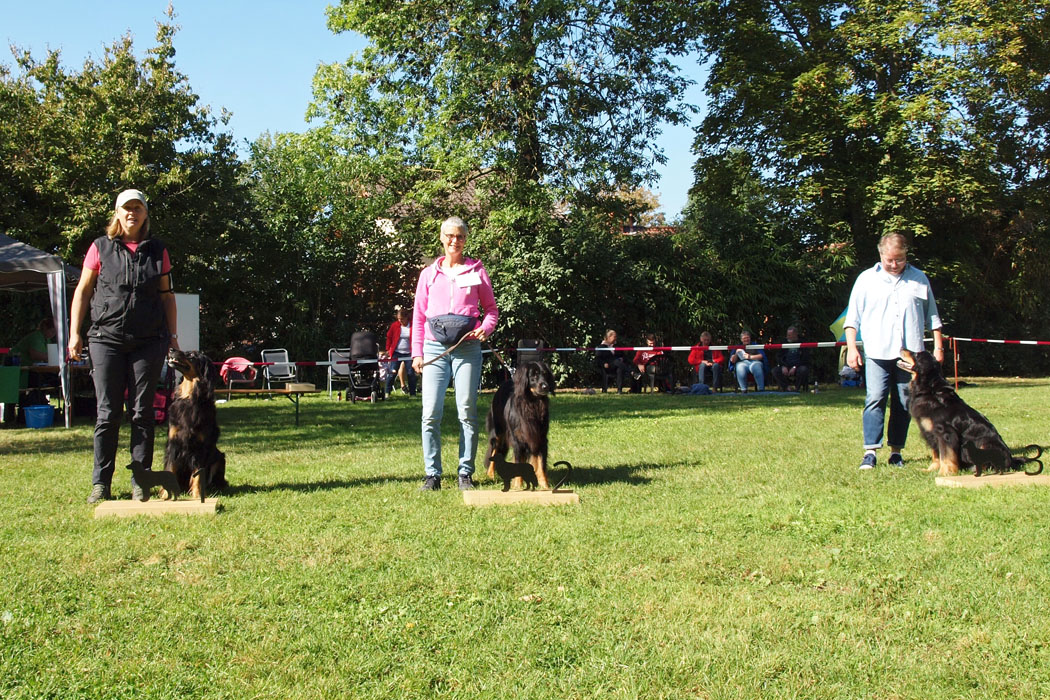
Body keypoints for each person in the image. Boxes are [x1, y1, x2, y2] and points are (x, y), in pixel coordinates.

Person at [68, 189, 178, 503]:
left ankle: (139, 482)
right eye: (126, 208)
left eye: (137, 208)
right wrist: (75, 334)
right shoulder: (100, 247)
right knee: (107, 414)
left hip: (149, 342)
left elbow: (167, 297)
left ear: (145, 214)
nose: (132, 213)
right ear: (117, 213)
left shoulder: (158, 251)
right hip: (106, 340)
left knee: (143, 414)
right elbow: (84, 291)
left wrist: (172, 337)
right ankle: (100, 483)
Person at [411, 217, 498, 491]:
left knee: (467, 411)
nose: (454, 241)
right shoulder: (428, 274)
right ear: (441, 238)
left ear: (466, 239)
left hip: (468, 349)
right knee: (430, 414)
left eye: (459, 236)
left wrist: (485, 328)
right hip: (434, 349)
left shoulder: (477, 271)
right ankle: (432, 475)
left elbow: (492, 311)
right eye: (449, 236)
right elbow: (418, 317)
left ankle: (465, 474)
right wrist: (417, 353)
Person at [845, 232, 943, 470]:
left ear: (905, 255)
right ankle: (870, 451)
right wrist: (851, 349)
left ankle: (896, 451)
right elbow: (852, 319)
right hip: (877, 352)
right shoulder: (866, 279)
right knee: (875, 398)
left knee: (903, 402)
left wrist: (938, 347)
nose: (894, 264)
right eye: (889, 259)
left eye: (898, 259)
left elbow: (933, 316)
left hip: (910, 356)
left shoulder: (919, 278)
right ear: (881, 255)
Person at [384, 307, 416, 396]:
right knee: (392, 372)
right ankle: (387, 393)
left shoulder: (413, 325)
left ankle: (412, 393)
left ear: (406, 318)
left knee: (410, 373)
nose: (400, 321)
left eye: (401, 319)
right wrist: (388, 349)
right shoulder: (395, 325)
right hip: (396, 352)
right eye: (398, 319)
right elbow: (389, 337)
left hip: (409, 353)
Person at [773, 325, 811, 392]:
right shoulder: (784, 342)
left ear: (795, 334)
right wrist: (783, 366)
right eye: (787, 335)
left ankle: (797, 388)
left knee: (803, 370)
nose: (788, 337)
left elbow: (805, 358)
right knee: (775, 371)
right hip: (786, 365)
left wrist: (795, 367)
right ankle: (786, 387)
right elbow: (778, 356)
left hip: (798, 365)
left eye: (790, 335)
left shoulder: (803, 342)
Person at [595, 329, 629, 393]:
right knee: (616, 362)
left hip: (617, 366)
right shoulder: (601, 347)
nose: (616, 338)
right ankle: (631, 372)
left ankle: (619, 390)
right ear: (609, 337)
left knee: (619, 367)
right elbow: (598, 359)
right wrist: (603, 364)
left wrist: (622, 359)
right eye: (614, 336)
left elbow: (623, 356)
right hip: (607, 366)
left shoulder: (617, 346)